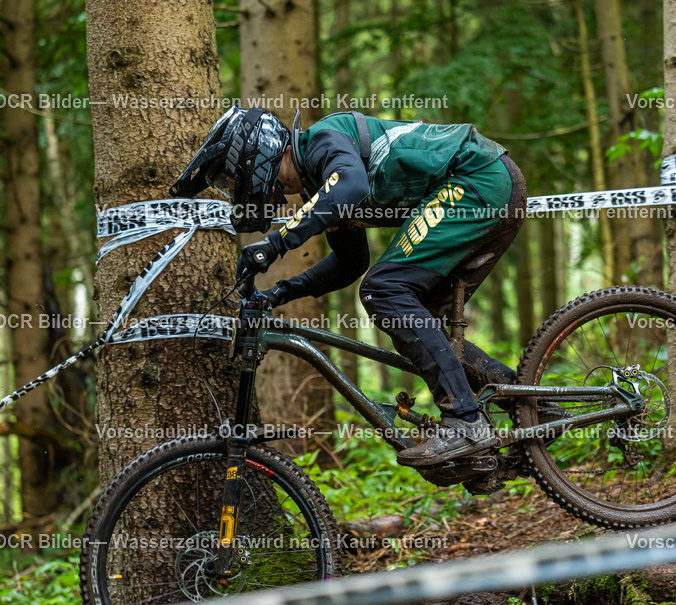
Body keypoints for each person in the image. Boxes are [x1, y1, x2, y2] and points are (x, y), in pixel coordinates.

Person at [170, 106, 526, 467]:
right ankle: (533, 407)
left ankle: (465, 421)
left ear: (252, 156)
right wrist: (280, 291)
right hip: (487, 183)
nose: (232, 189)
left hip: (476, 178)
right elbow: (348, 264)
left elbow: (352, 185)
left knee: (384, 290)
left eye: (229, 180)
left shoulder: (323, 141)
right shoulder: (323, 183)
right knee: (421, 333)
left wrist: (276, 243)